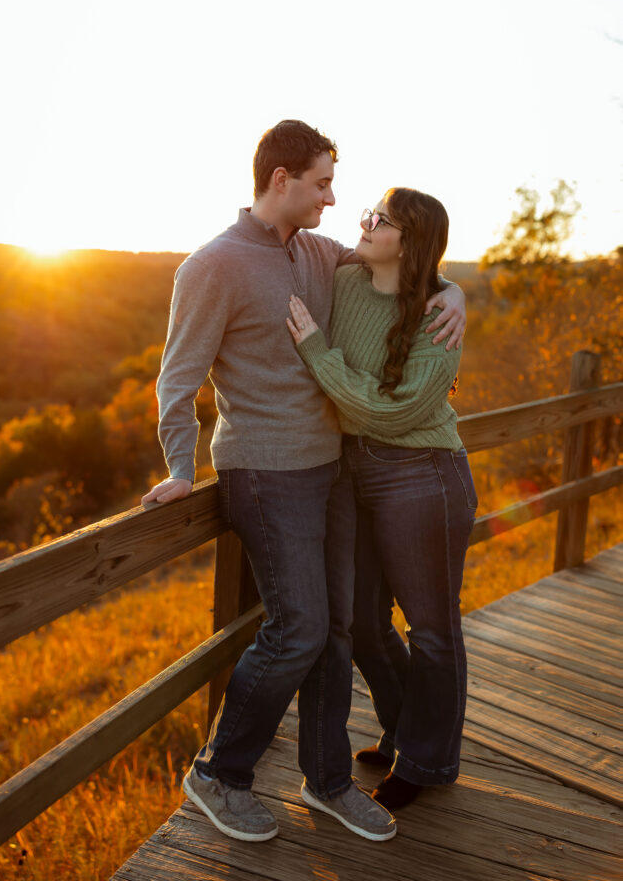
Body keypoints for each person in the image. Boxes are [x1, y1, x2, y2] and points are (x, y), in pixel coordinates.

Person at [142, 123, 466, 843]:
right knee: (298, 631)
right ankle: (218, 774)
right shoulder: (212, 265)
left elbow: (410, 262)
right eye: (321, 182)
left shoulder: (319, 253)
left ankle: (325, 782)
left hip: (331, 468)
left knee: (339, 632)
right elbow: (178, 376)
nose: (332, 196)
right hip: (264, 469)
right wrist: (178, 467)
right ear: (281, 178)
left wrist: (457, 295)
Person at [286, 187, 477, 815]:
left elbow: (389, 412)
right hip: (351, 472)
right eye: (369, 213)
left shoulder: (437, 316)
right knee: (364, 622)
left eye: (381, 221)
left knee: (432, 630)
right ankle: (401, 728)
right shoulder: (345, 278)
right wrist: (456, 284)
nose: (364, 224)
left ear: (410, 241)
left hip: (421, 471)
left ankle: (426, 761)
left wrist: (317, 350)